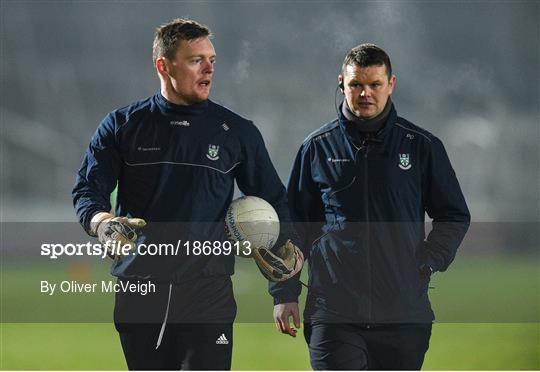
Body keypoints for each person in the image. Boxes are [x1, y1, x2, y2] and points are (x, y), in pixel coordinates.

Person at [72, 18, 301, 370]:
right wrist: (102, 223)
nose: (209, 67)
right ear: (163, 65)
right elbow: (88, 188)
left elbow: (275, 203)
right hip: (139, 288)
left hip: (207, 291)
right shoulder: (122, 125)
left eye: (212, 59)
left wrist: (284, 288)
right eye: (196, 59)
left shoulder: (237, 133)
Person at [270, 44, 470, 370]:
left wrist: (429, 261)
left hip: (404, 314)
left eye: (374, 84)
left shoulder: (421, 146)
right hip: (333, 312)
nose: (365, 93)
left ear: (390, 84)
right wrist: (284, 292)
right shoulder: (316, 149)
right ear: (341, 84)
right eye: (356, 85)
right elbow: (292, 227)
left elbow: (454, 214)